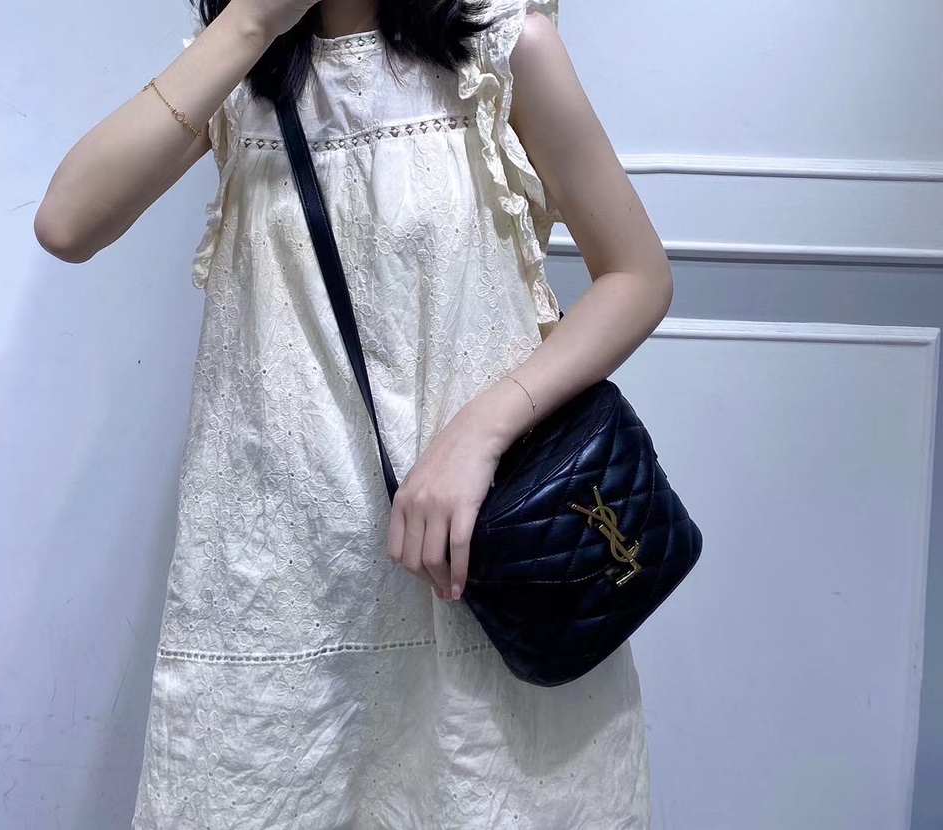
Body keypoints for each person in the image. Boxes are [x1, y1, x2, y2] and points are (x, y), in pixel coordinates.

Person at [35, 0, 673, 826]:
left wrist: (480, 432)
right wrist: (250, 25)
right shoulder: (237, 74)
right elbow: (67, 223)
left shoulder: (502, 48)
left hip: (474, 571)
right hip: (281, 588)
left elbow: (637, 276)